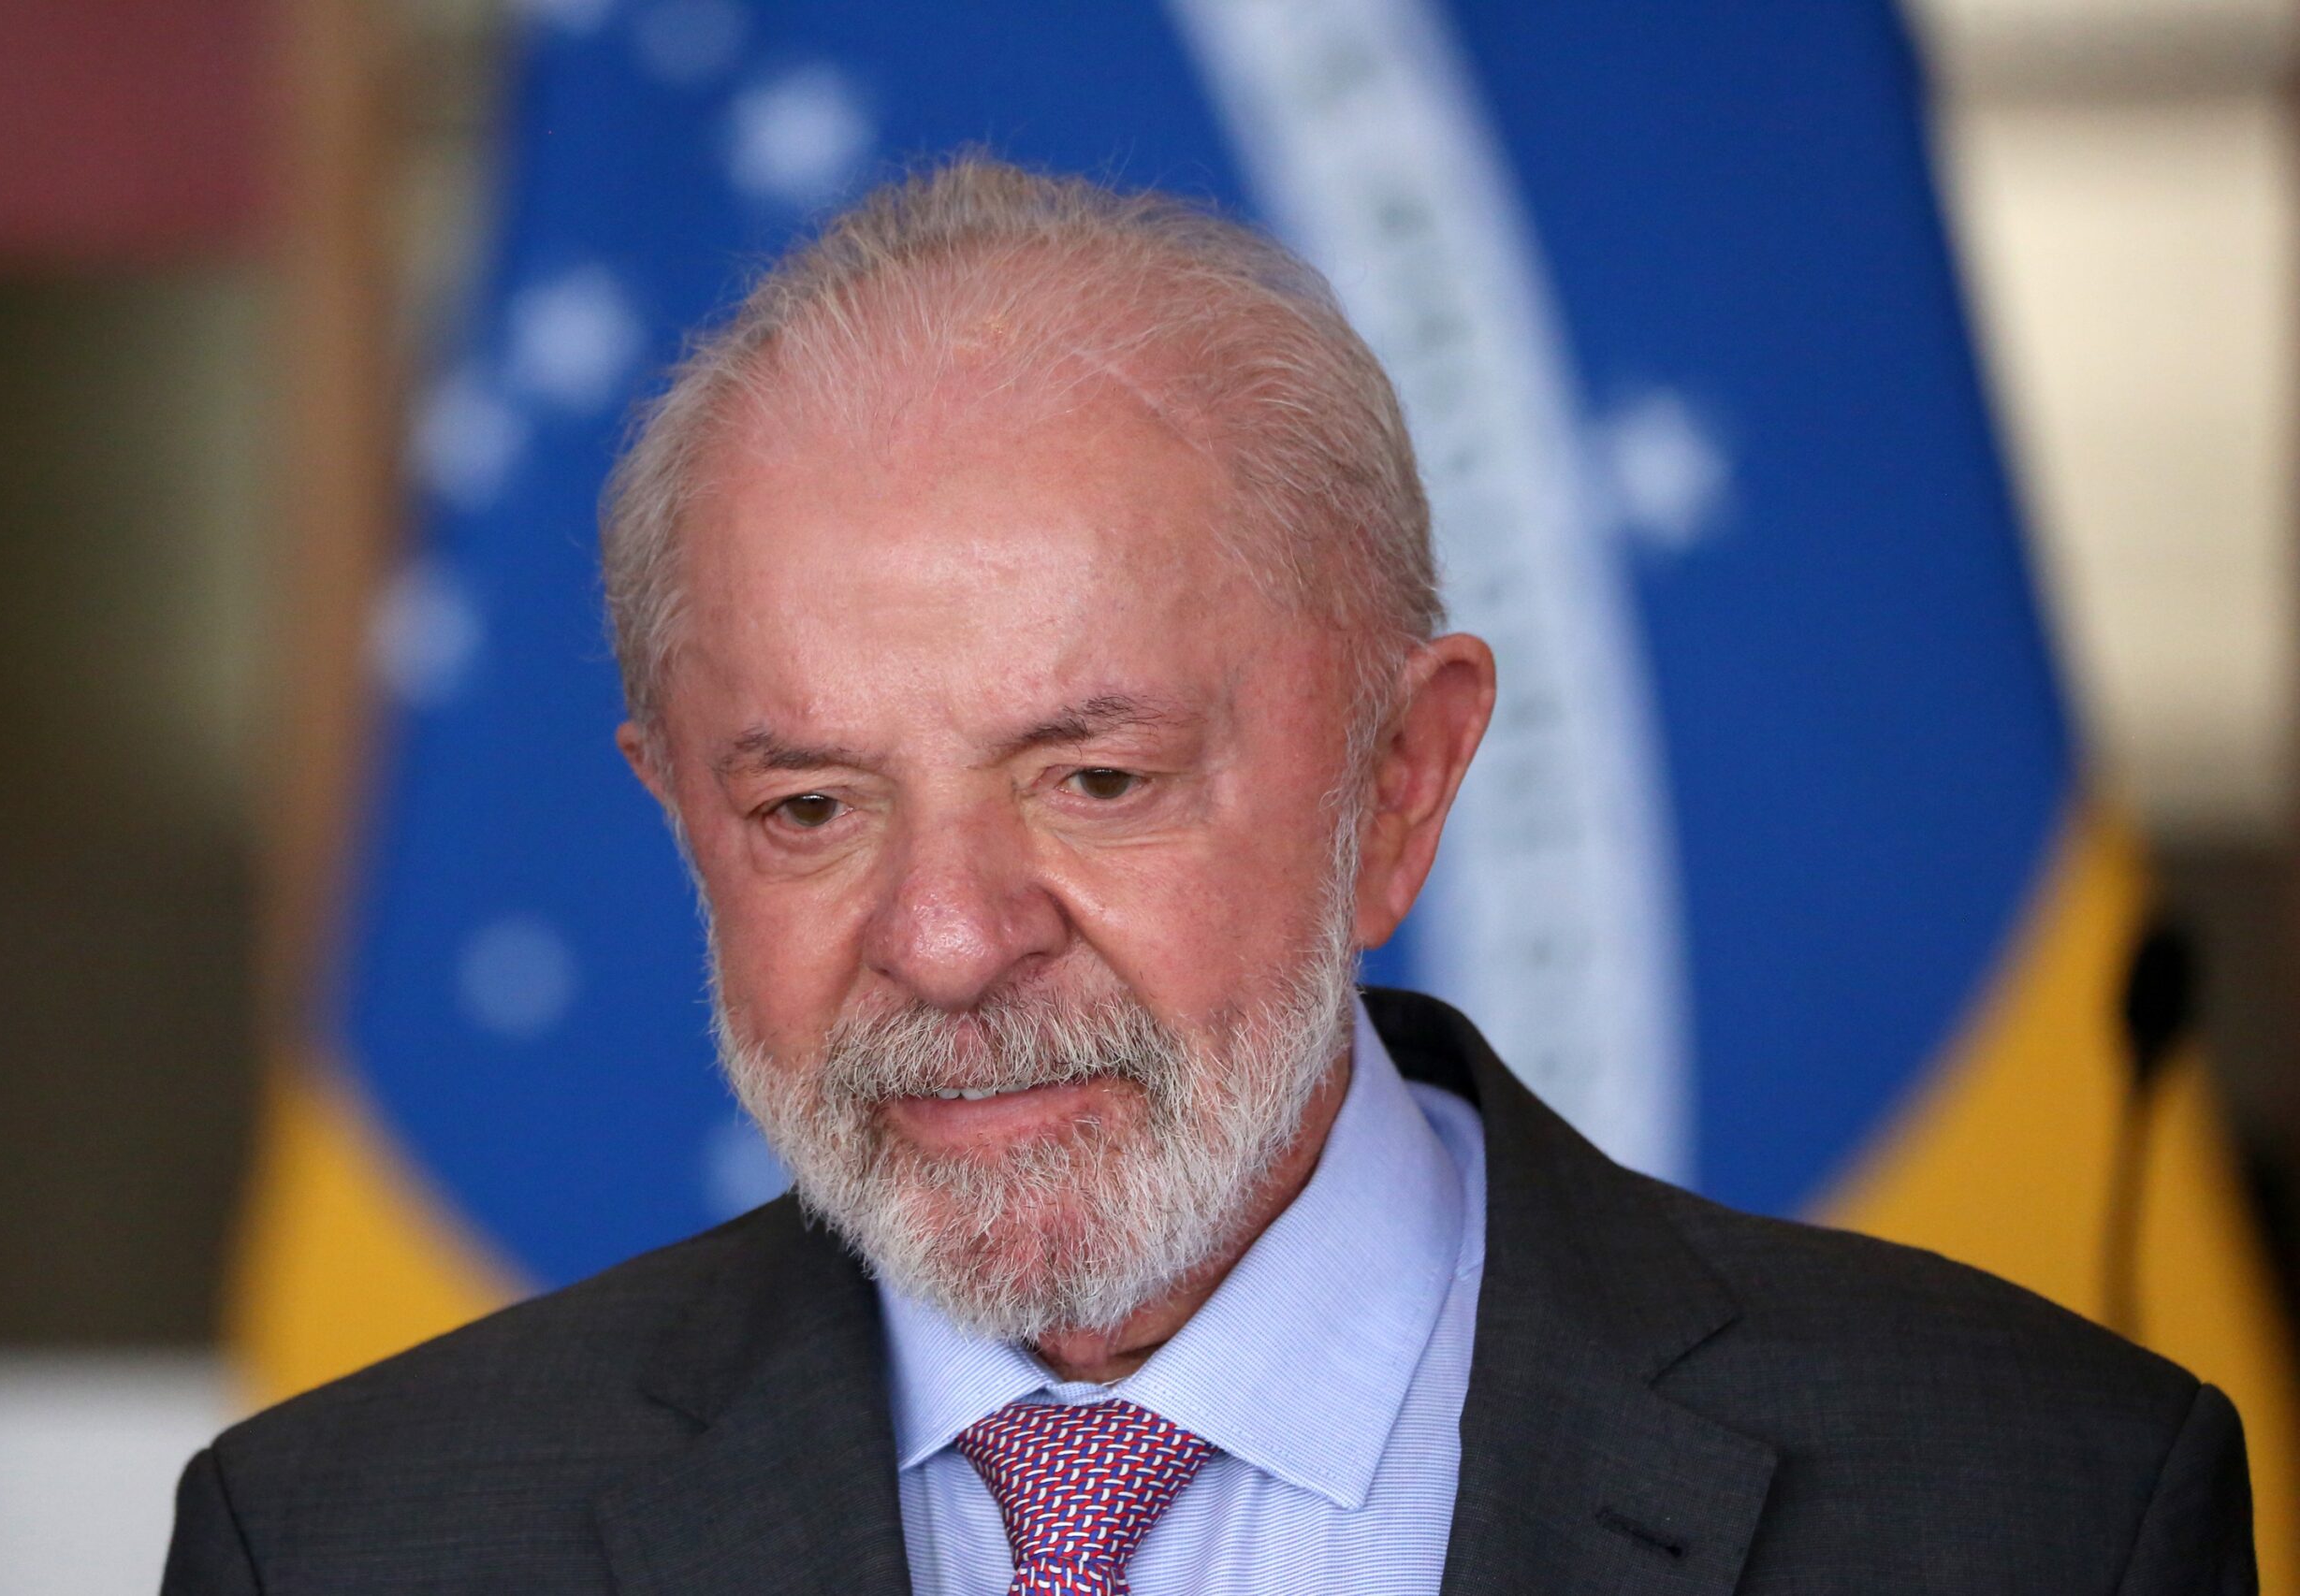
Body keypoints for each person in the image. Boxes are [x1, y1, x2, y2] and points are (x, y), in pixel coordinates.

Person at [162, 157, 2255, 1595]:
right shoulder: (350, 1542)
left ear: (1402, 780)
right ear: (677, 816)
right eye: (809, 808)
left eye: (1094, 778)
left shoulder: (2032, 1507)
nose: (948, 939)